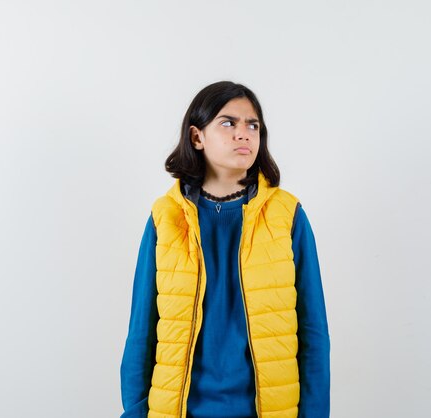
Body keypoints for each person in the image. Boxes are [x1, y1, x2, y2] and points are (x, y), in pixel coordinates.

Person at [119, 81, 330, 418]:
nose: (244, 133)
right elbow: (141, 331)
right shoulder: (166, 218)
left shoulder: (287, 215)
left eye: (253, 125)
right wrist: (134, 411)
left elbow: (314, 332)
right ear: (197, 137)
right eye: (228, 123)